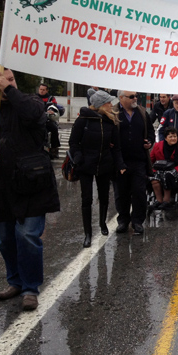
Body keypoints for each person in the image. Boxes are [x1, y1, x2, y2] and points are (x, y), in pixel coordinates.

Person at [0, 64, 60, 311]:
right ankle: (15, 281)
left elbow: (34, 115)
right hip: (0, 186)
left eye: (11, 79)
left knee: (28, 236)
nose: (8, 83)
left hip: (32, 183)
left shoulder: (31, 103)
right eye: (1, 81)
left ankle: (31, 288)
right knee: (6, 239)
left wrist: (10, 90)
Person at [69, 90, 126, 248]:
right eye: (108, 102)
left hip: (105, 164)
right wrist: (79, 157)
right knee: (86, 199)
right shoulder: (83, 120)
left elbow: (116, 147)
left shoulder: (110, 121)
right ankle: (88, 233)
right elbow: (73, 142)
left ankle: (102, 224)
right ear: (100, 105)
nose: (111, 105)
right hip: (86, 165)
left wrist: (120, 165)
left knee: (104, 196)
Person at [114, 90, 154, 235]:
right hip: (120, 160)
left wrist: (149, 142)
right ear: (121, 98)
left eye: (136, 96)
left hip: (139, 160)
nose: (135, 99)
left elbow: (150, 132)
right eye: (131, 97)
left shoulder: (142, 112)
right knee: (121, 193)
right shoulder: (114, 113)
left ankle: (137, 221)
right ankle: (123, 221)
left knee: (139, 192)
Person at [149, 126, 178, 207]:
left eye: (175, 136)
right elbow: (151, 160)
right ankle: (159, 200)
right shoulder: (157, 146)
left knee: (167, 175)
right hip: (160, 168)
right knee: (154, 178)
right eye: (170, 137)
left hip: (176, 170)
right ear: (165, 138)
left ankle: (166, 200)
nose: (173, 138)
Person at [37, 83, 65, 159]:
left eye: (43, 90)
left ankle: (54, 150)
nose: (41, 91)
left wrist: (51, 110)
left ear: (47, 90)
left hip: (47, 119)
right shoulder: (35, 97)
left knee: (54, 129)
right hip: (36, 119)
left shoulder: (51, 98)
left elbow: (54, 105)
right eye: (40, 89)